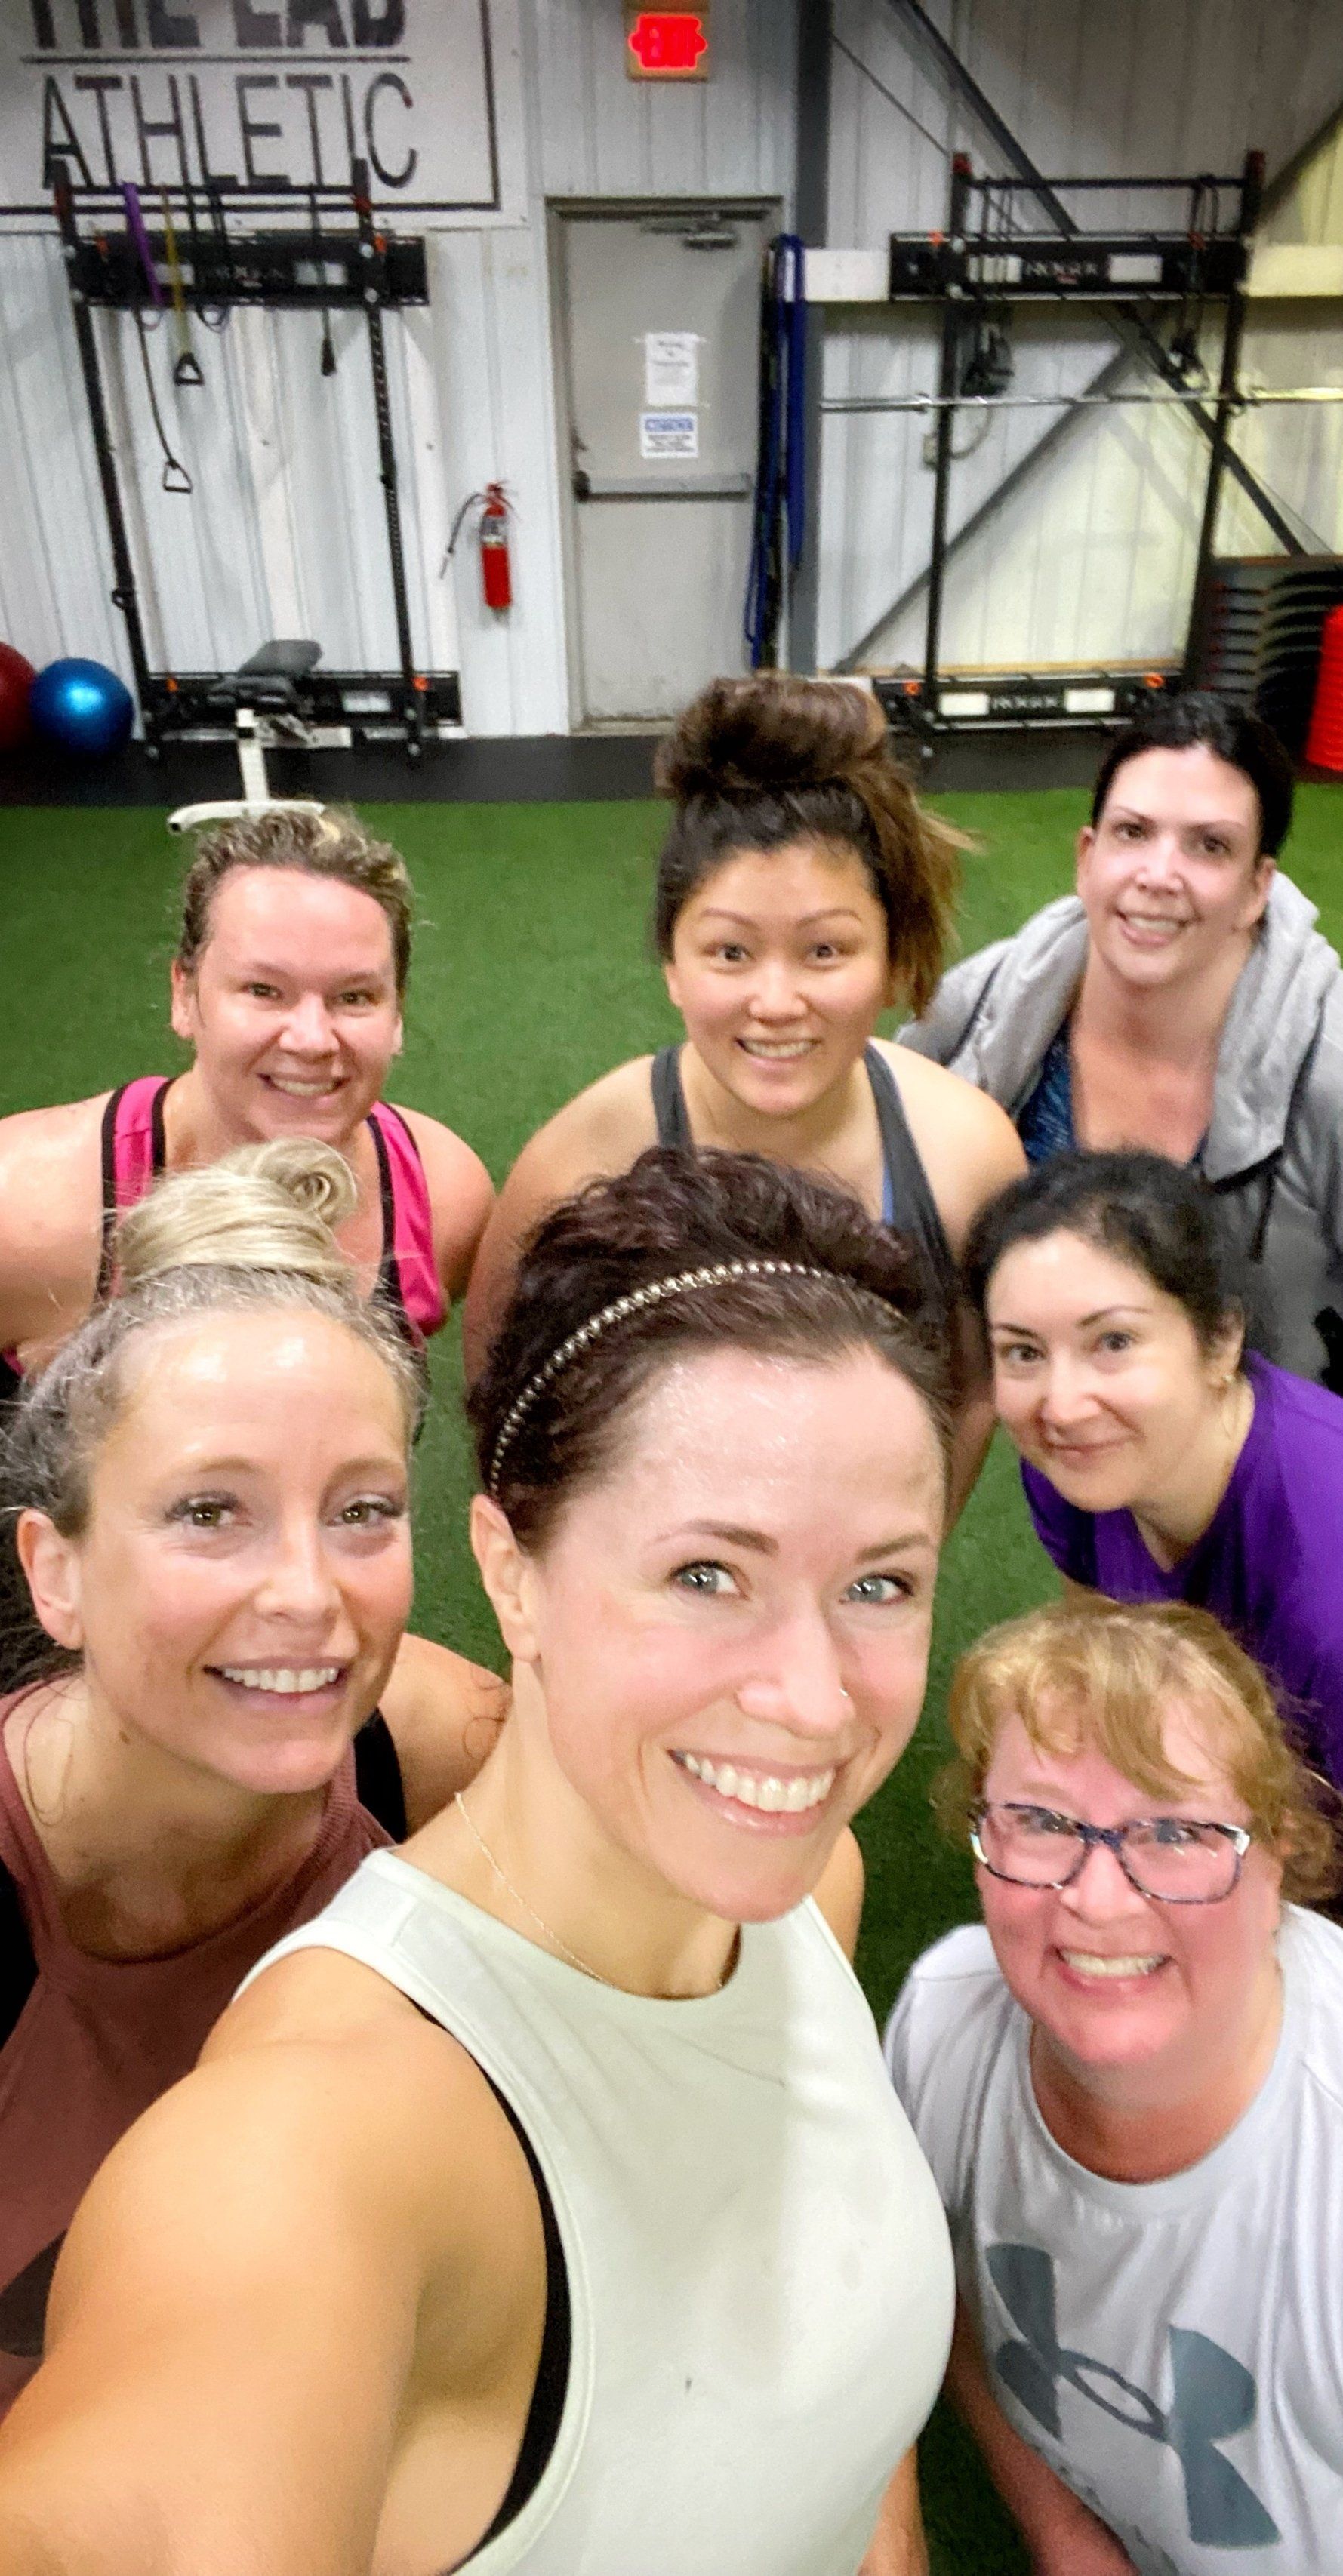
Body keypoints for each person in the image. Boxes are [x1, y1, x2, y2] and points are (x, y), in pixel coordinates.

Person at [0, 1146, 961, 2576]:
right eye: (709, 1573)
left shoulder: (800, 1894)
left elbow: (834, 2364)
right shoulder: (301, 2152)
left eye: (879, 1581)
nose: (817, 1699)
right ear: (512, 1570)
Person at [0, 1140, 505, 2417]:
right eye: (208, 1510)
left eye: (360, 1509)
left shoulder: (443, 1759)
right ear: (54, 1569)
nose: (306, 1596)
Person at [884, 1595, 1343, 2576]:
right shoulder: (946, 2022)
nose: (1097, 1901)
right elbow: (941, 2281)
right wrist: (1061, 2531)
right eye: (1041, 1821)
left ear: (1277, 1857)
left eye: (1177, 1834)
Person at [464, 673, 1024, 1483]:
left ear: (892, 958)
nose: (775, 1003)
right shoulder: (584, 1161)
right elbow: (502, 1393)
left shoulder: (966, 1152)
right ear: (672, 965)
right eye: (730, 951)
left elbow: (973, 1391)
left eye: (825, 950)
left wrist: (904, 1547)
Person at [963, 1147, 1343, 1987]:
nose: (1062, 1404)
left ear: (1221, 1339)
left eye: (1113, 1341)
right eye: (1023, 1352)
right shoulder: (1081, 1469)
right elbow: (1121, 1695)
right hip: (1309, 1833)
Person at [901, 690, 1343, 1435]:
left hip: (1256, 1457)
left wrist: (1332, 1472)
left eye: (1209, 845)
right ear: (1087, 857)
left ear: (1259, 886)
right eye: (1133, 832)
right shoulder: (985, 1006)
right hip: (1069, 1437)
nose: (1159, 873)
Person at [0, 805, 494, 1390]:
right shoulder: (26, 1207)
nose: (311, 1040)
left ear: (397, 1016)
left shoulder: (444, 1200)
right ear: (184, 996)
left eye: (355, 996)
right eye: (264, 990)